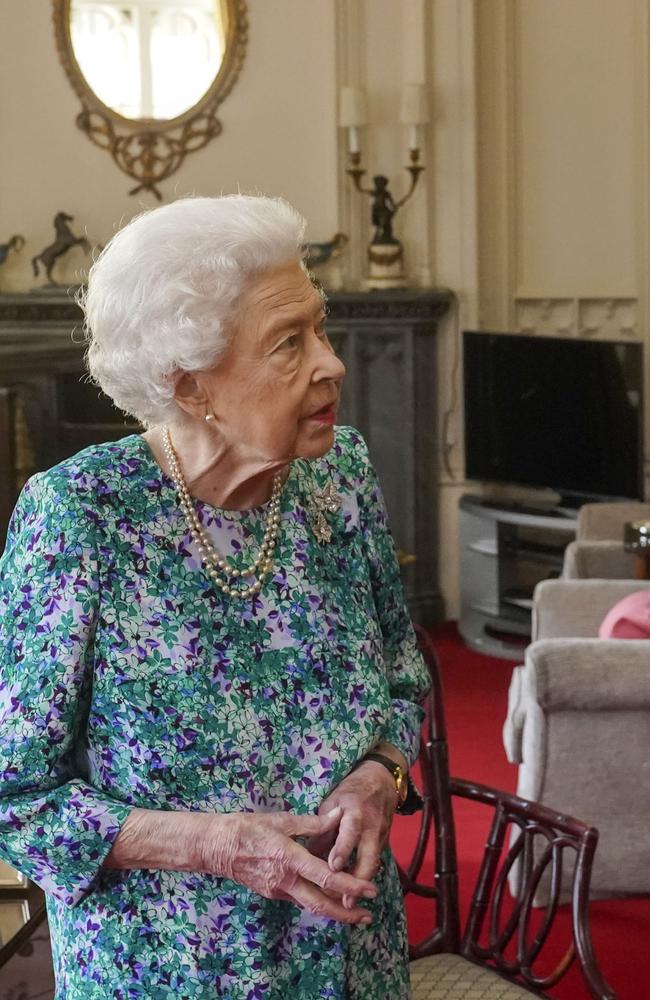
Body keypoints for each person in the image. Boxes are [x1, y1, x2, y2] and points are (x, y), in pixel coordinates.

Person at [0, 195, 430, 999]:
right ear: (191, 384)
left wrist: (381, 774)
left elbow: (403, 676)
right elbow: (18, 796)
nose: (332, 363)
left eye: (320, 328)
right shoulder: (81, 516)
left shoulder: (340, 478)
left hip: (348, 959)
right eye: (288, 343)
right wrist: (221, 845)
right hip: (168, 969)